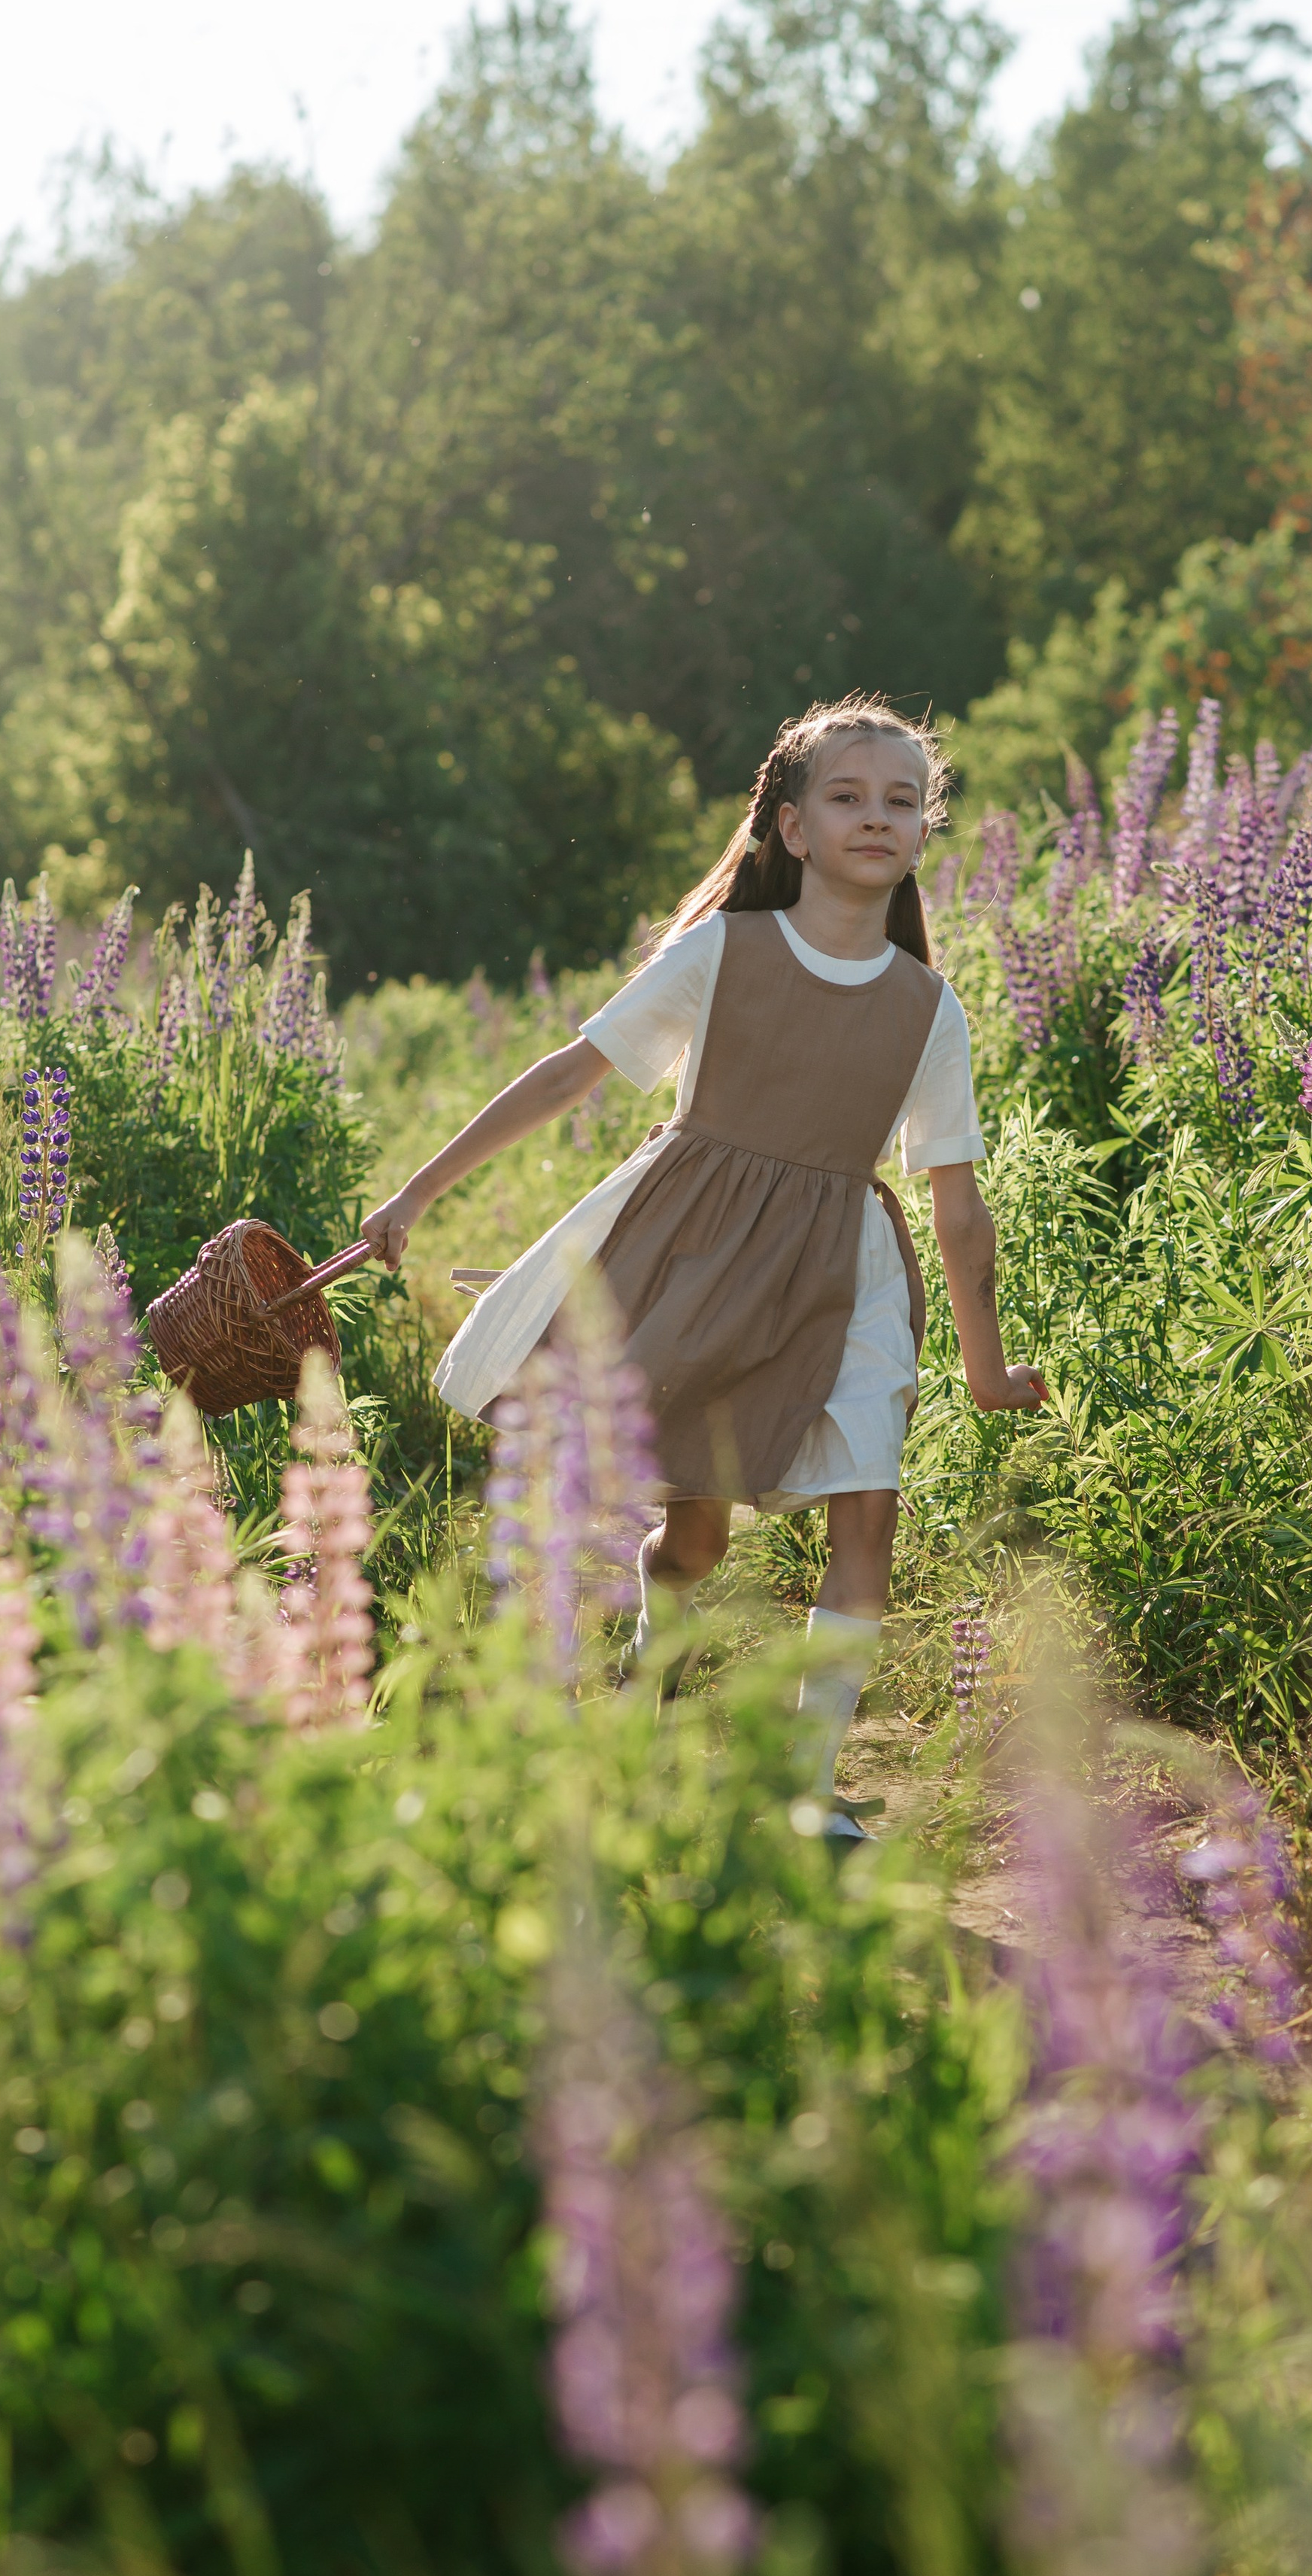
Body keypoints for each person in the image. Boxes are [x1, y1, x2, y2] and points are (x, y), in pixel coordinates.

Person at [360, 693, 1047, 1835]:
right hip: (696, 1247)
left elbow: (958, 1206)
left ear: (927, 830)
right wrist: (419, 1190)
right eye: (847, 797)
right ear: (790, 828)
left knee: (867, 1511)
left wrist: (984, 1366)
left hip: (846, 1274)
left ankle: (804, 1787)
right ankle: (651, 1676)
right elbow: (569, 1073)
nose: (878, 818)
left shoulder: (931, 1009)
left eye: (903, 800)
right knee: (694, 1531)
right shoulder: (724, 953)